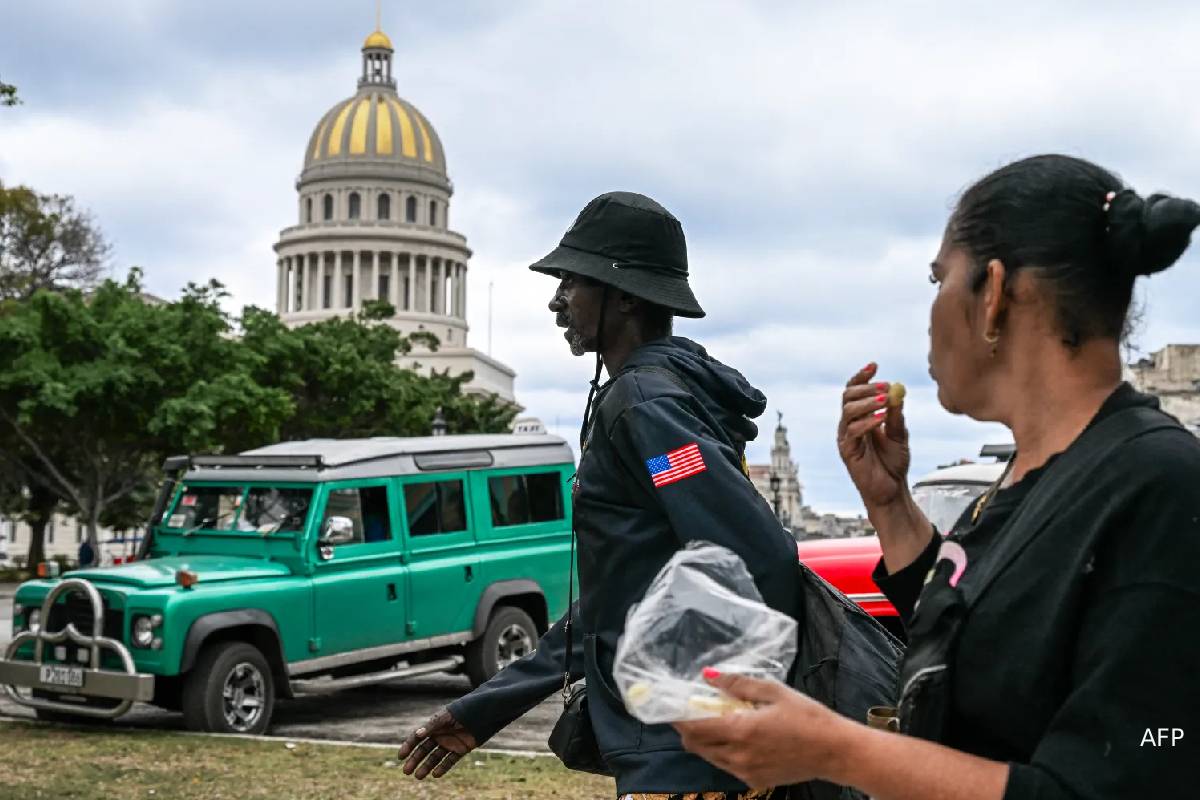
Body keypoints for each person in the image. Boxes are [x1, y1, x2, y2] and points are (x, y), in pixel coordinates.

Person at [673, 154, 1200, 798]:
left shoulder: (1159, 488)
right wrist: (890, 504)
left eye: (938, 280)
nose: (930, 312)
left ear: (995, 294)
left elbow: (1112, 780)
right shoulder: (1037, 474)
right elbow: (981, 635)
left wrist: (835, 749)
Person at [398, 191, 801, 798]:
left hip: (685, 755)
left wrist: (723, 710)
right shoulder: (644, 399)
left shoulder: (647, 407)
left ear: (627, 295)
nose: (557, 300)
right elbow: (619, 598)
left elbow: (761, 555)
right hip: (665, 749)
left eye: (572, 281)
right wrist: (488, 707)